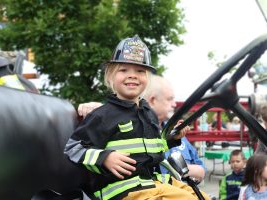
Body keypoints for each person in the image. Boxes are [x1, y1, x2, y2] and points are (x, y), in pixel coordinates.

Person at [65, 35, 209, 200]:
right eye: (123, 70)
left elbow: (154, 149)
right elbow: (73, 148)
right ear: (111, 76)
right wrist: (105, 158)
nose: (132, 75)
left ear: (147, 78)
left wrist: (172, 138)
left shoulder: (148, 113)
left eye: (140, 71)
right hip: (122, 190)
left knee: (202, 196)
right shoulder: (102, 115)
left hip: (153, 184)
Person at [78, 75, 206, 182]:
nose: (174, 104)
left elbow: (201, 170)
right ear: (153, 100)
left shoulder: (176, 135)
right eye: (170, 99)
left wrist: (181, 167)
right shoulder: (120, 127)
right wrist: (93, 109)